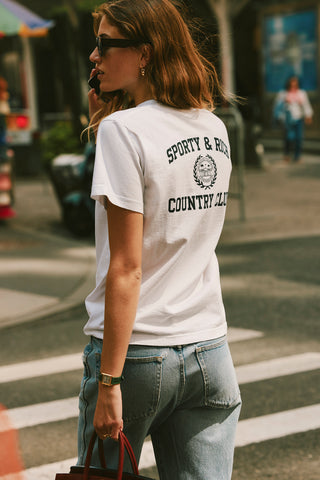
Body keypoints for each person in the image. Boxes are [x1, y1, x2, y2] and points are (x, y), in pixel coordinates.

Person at [77, 1, 241, 479]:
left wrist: (109, 381)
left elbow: (127, 268)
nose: (94, 56)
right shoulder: (213, 126)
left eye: (107, 45)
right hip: (210, 349)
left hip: (138, 353)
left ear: (145, 54)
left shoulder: (122, 131)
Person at [274, 76, 313, 163]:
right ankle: (287, 154)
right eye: (291, 85)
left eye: (295, 85)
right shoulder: (283, 94)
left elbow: (306, 106)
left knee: (299, 138)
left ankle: (297, 156)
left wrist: (308, 115)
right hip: (287, 119)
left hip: (298, 118)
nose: (293, 87)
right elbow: (277, 107)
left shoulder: (301, 93)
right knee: (288, 138)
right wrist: (285, 102)